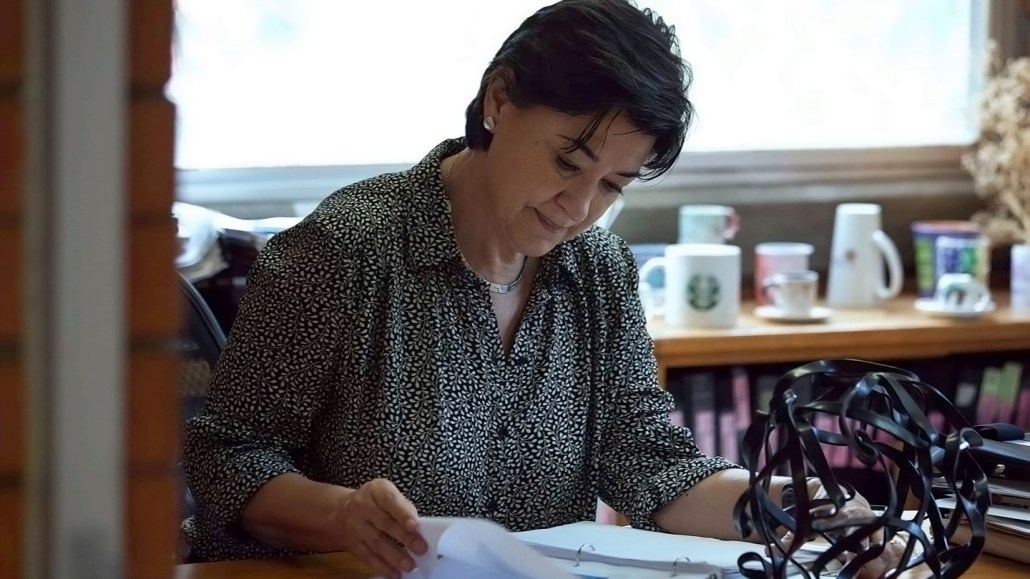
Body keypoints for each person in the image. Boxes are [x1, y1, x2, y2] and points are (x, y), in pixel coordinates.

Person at [183, 1, 902, 577]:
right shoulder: (342, 251)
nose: (580, 207)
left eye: (612, 185)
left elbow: (653, 462)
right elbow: (227, 458)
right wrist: (342, 515)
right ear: (499, 100)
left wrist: (797, 507)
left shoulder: (599, 270)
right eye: (568, 161)